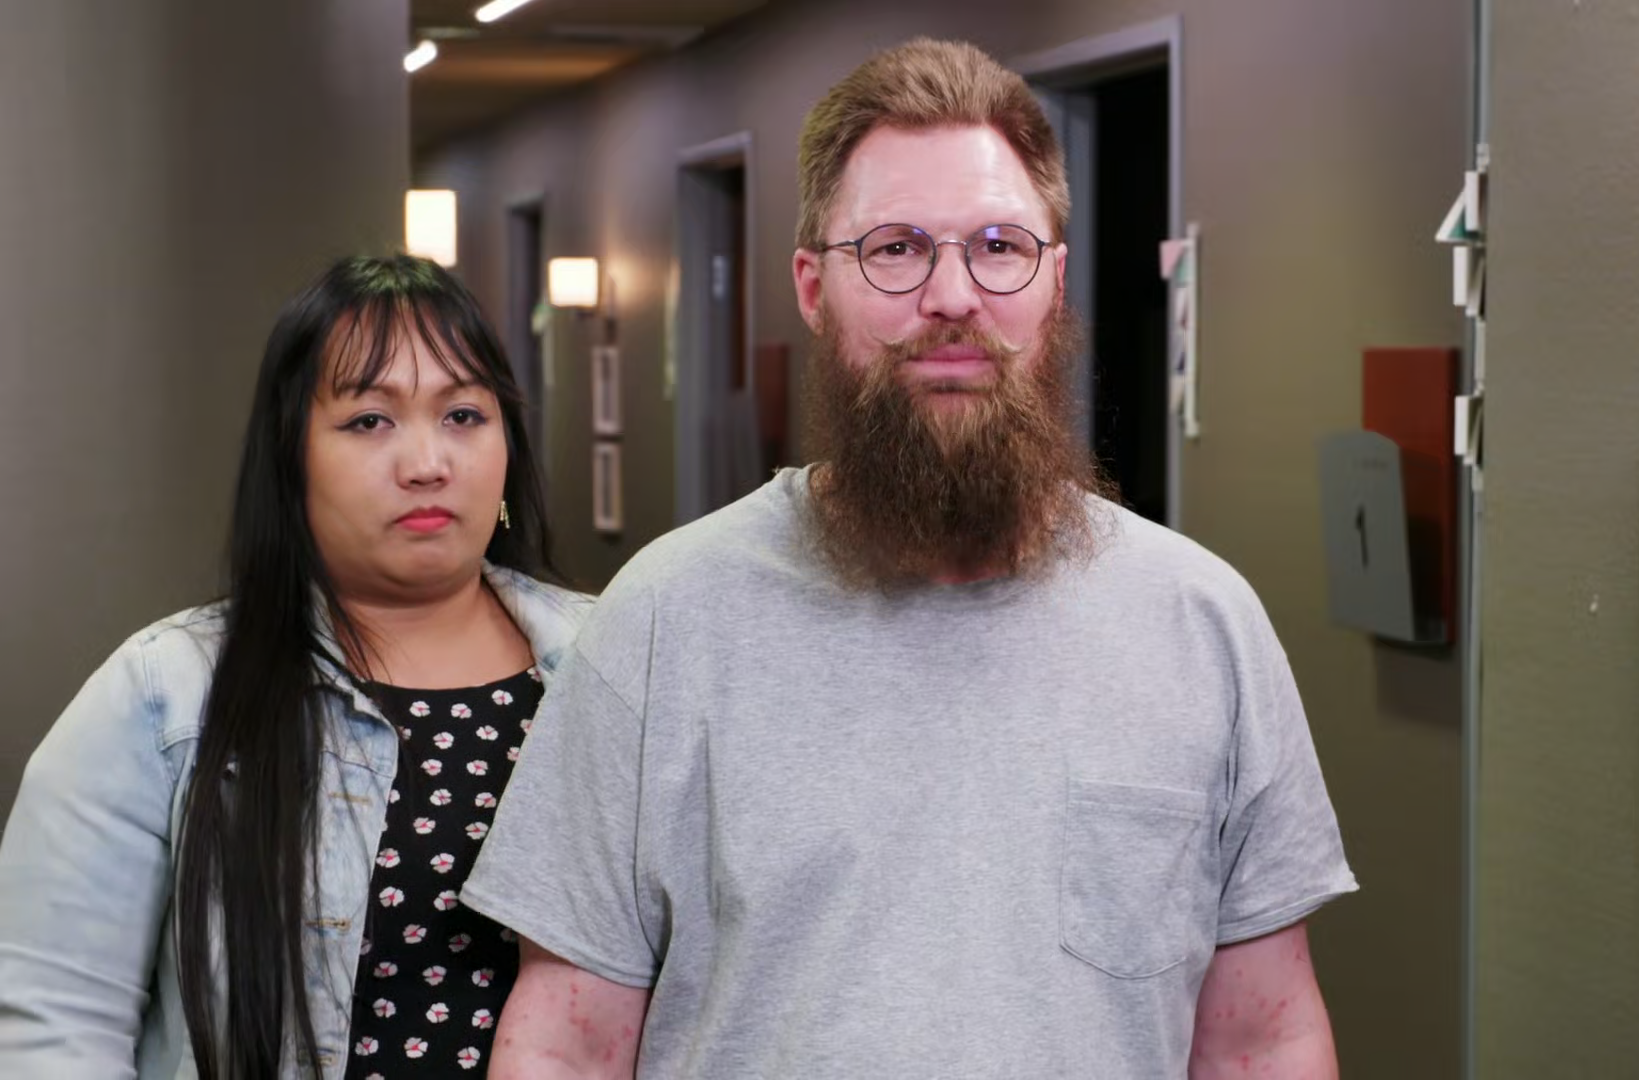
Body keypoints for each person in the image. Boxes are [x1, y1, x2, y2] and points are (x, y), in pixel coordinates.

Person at [469, 38, 1357, 1079]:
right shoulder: (665, 621)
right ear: (813, 287)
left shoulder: (1203, 626)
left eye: (999, 246)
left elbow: (1262, 1041)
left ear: (1054, 279)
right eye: (895, 249)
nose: (952, 296)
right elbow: (565, 1046)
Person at [0, 254, 592, 1079]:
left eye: (463, 414)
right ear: (291, 458)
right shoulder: (168, 695)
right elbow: (53, 1023)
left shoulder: (612, 664)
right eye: (369, 421)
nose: (428, 462)